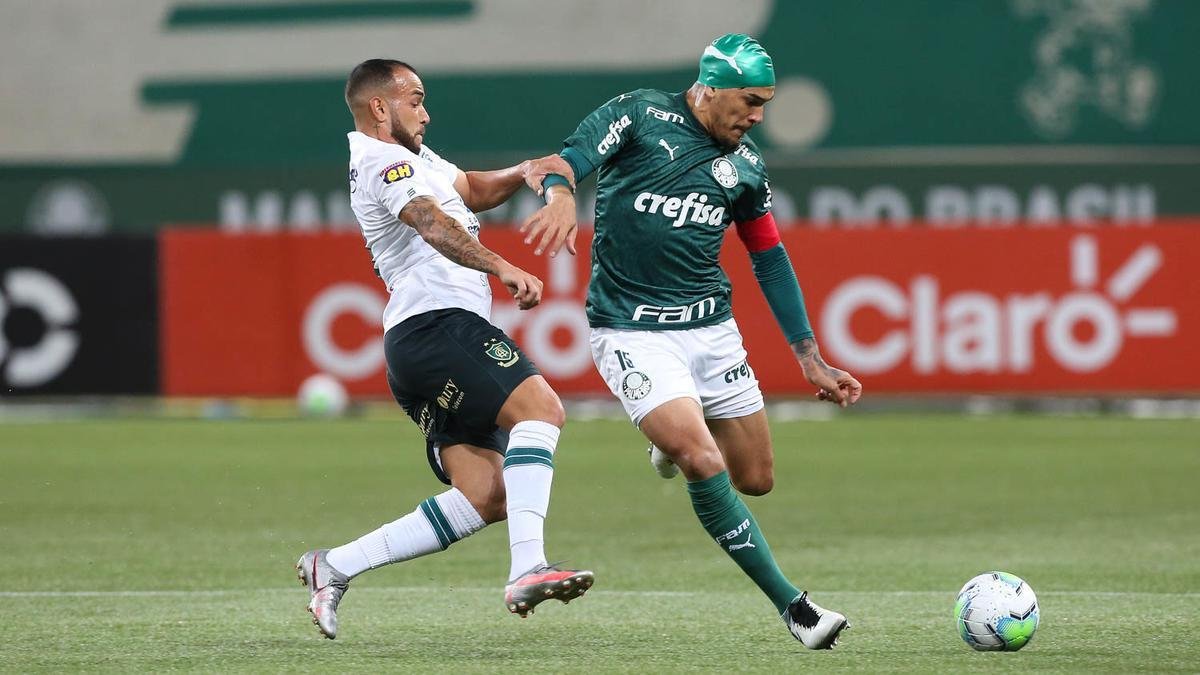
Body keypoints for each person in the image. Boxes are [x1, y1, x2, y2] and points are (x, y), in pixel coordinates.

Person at [520, 34, 862, 649]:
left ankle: (670, 440)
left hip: (711, 332)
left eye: (765, 104)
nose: (758, 116)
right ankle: (795, 609)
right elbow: (560, 162)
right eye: (750, 101)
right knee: (703, 462)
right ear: (709, 88)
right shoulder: (640, 113)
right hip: (632, 331)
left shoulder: (746, 166)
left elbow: (769, 257)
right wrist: (562, 195)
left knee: (755, 479)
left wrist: (809, 356)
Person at [295, 59, 592, 640]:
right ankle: (528, 567)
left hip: (417, 344)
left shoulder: (413, 158)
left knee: (487, 495)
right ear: (380, 107)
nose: (426, 113)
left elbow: (471, 190)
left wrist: (524, 171)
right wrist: (502, 266)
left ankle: (334, 566)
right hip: (436, 325)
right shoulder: (380, 161)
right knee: (541, 410)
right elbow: (430, 223)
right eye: (416, 100)